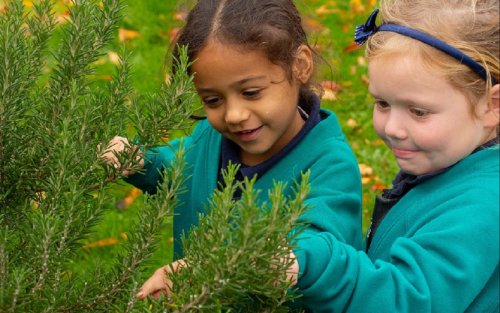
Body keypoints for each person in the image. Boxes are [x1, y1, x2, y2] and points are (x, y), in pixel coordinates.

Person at [101, 0, 362, 308]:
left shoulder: (330, 166)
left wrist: (206, 268)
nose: (234, 114)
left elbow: (314, 248)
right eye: (212, 100)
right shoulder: (211, 139)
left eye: (251, 92)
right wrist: (141, 162)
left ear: (299, 66)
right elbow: (181, 169)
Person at [282, 0, 499, 311]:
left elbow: (408, 299)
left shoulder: (483, 206)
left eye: (419, 111)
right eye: (382, 103)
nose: (393, 128)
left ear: (492, 106)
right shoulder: (447, 168)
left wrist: (315, 263)